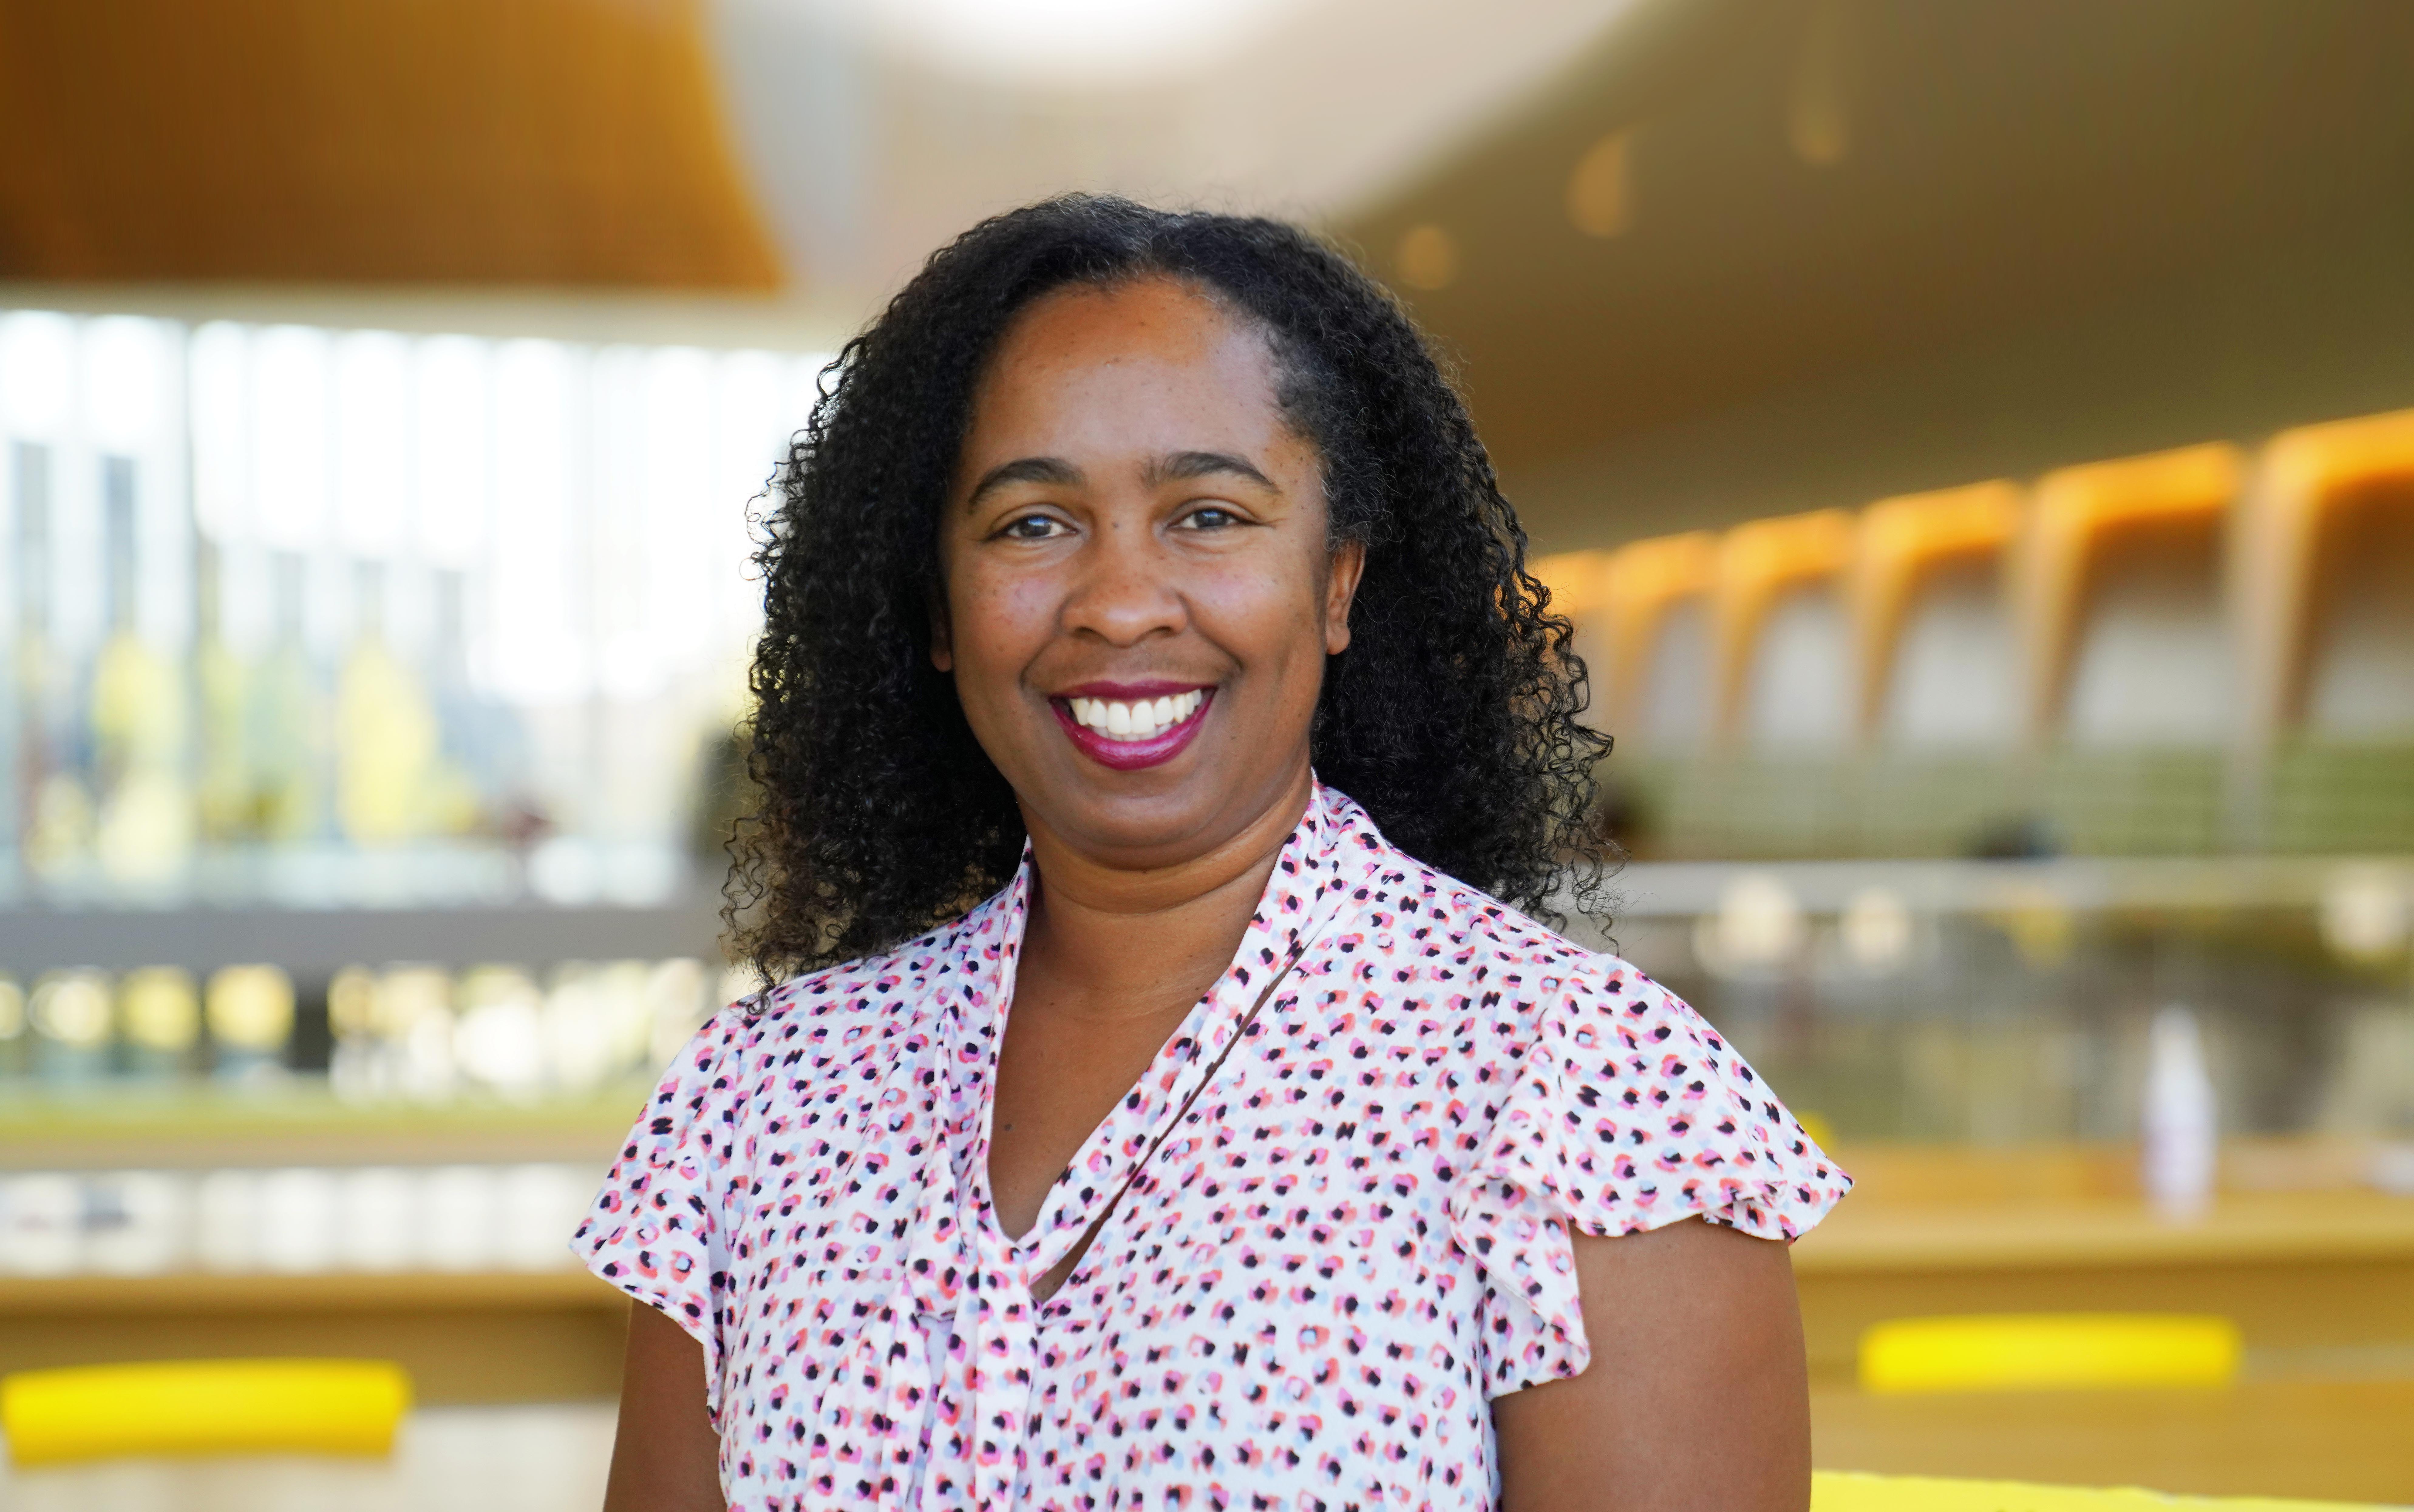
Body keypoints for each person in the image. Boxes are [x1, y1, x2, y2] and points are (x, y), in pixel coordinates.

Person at [580, 195, 1848, 1512]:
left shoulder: (1582, 1092)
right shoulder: (761, 1100)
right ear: (939, 613)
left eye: (1208, 515)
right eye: (1030, 524)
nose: (1121, 602)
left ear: (1337, 580)